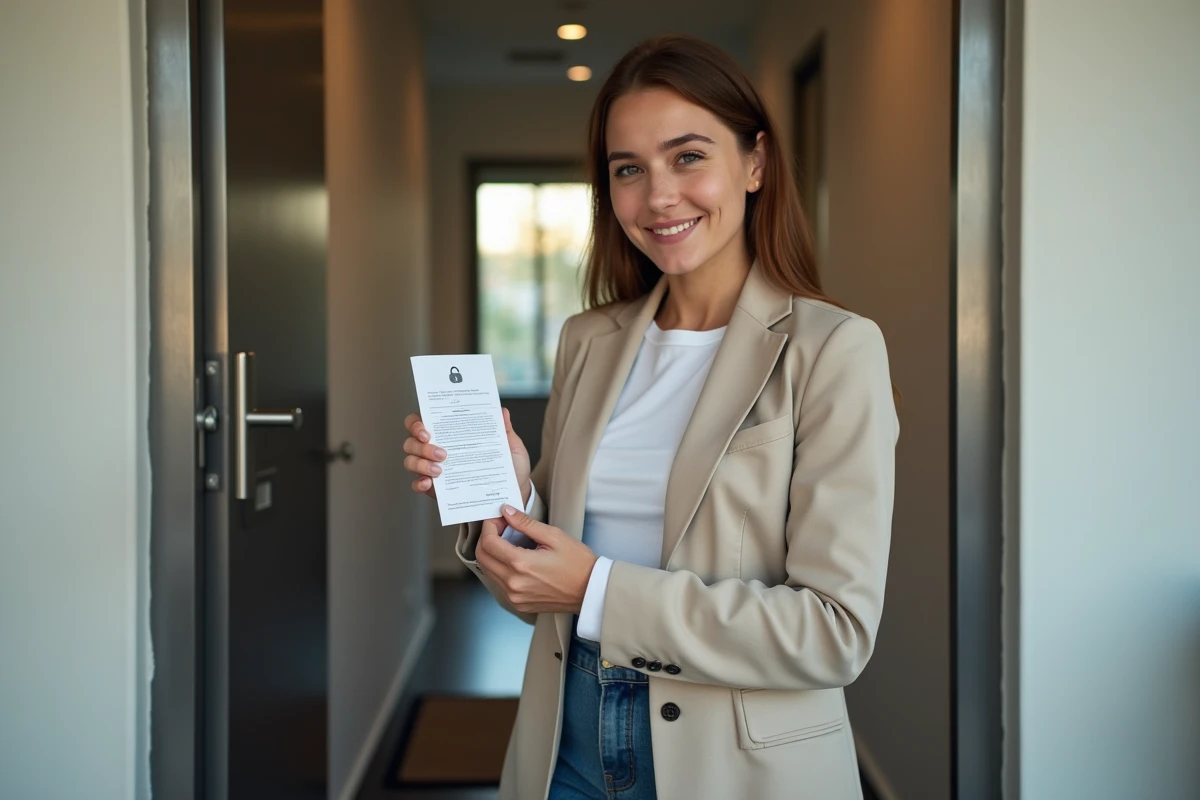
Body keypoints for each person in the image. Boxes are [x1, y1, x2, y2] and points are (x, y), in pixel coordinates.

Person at [403, 34, 898, 800]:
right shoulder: (588, 340)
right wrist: (506, 503)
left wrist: (596, 588)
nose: (658, 196)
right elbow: (539, 594)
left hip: (735, 768)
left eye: (688, 156)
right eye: (628, 170)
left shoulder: (833, 349)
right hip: (566, 744)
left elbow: (833, 633)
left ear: (756, 162)